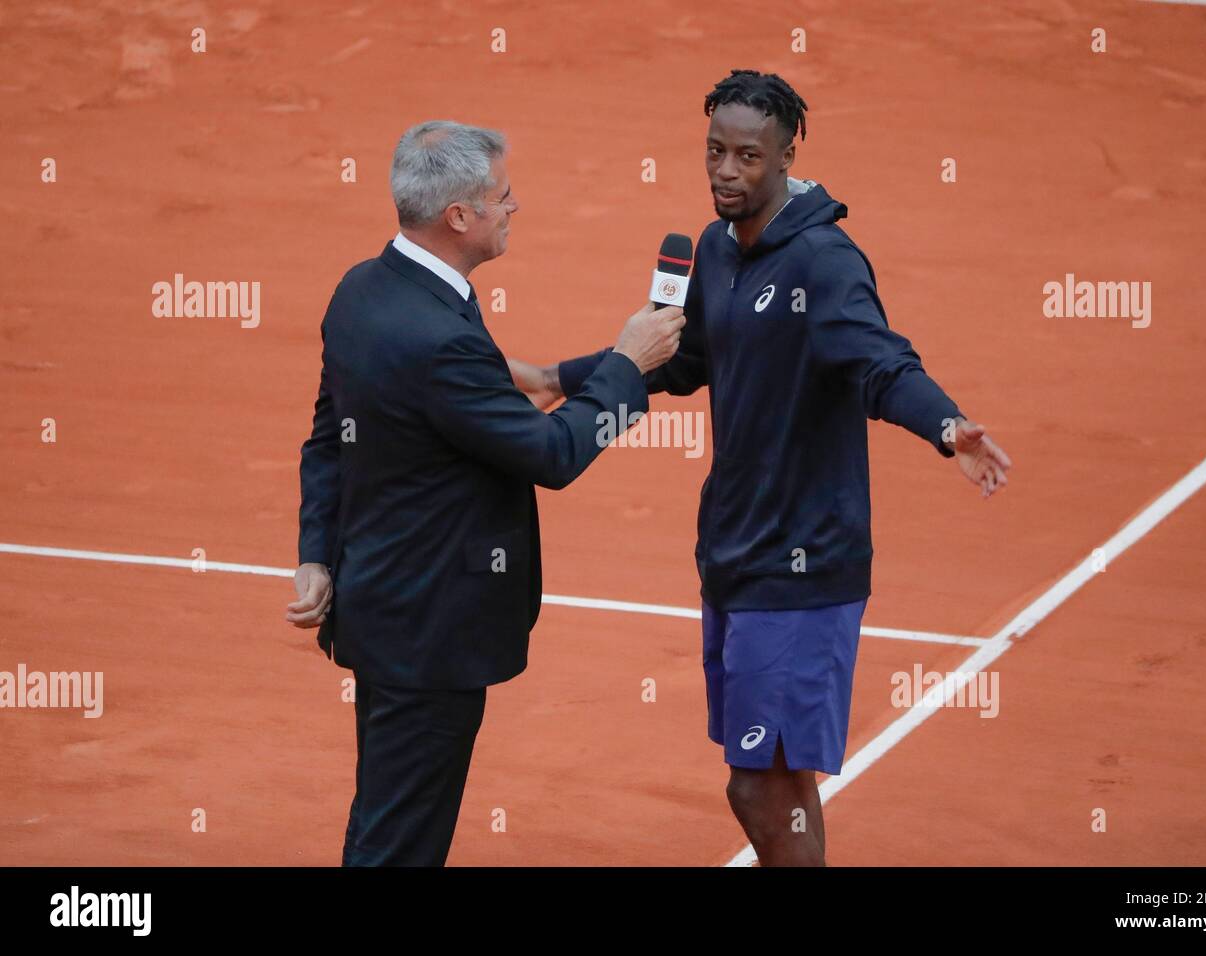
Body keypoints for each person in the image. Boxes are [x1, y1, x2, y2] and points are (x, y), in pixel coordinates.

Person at [509, 71, 1012, 866]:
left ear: (786, 157)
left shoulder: (824, 261)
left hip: (803, 559)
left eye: (748, 155)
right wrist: (555, 378)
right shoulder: (713, 249)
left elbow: (879, 365)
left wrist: (947, 425)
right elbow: (682, 357)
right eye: (715, 152)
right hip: (733, 550)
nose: (726, 171)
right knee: (784, 781)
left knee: (757, 788)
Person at [288, 120, 684, 866]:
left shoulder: (366, 292)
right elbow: (554, 453)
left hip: (380, 607)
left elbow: (327, 438)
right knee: (399, 841)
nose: (514, 208)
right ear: (459, 217)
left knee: (387, 815)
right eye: (503, 198)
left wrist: (316, 553)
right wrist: (629, 363)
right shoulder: (439, 339)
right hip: (429, 633)